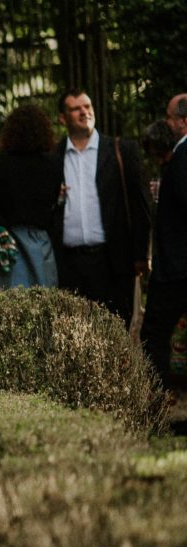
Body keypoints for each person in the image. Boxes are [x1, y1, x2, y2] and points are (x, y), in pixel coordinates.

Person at [54, 89, 152, 326]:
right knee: (72, 337)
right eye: (76, 108)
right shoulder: (52, 156)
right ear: (62, 118)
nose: (84, 112)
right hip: (68, 265)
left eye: (87, 106)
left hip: (113, 262)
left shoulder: (121, 150)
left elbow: (141, 204)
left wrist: (140, 254)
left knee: (115, 333)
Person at [0, 104, 64, 291]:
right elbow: (54, 208)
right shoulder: (53, 165)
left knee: (6, 311)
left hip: (7, 248)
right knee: (42, 309)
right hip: (40, 244)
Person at [142, 93, 187, 389]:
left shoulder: (183, 156)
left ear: (183, 122)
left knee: (153, 335)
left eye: (169, 117)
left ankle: (156, 407)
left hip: (177, 269)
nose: (166, 122)